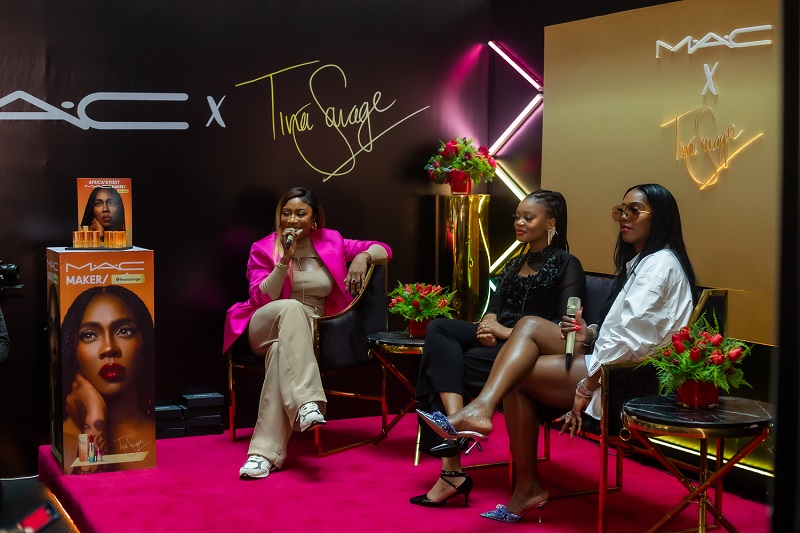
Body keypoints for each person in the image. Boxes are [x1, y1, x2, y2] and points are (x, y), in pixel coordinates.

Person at [418, 183, 697, 523]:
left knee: (521, 362)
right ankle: (489, 427)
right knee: (520, 332)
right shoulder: (643, 262)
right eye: (620, 210)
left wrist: (588, 386)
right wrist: (588, 331)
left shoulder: (658, 265)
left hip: (626, 376)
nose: (624, 217)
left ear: (660, 217)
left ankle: (494, 434)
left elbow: (631, 342)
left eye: (634, 211)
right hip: (602, 357)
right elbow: (624, 330)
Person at [410, 190, 585, 508]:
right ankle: (458, 418)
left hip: (530, 354)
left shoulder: (567, 264)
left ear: (551, 223)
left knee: (441, 367)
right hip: (498, 343)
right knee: (439, 329)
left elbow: (563, 329)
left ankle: (452, 468)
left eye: (528, 217)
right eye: (517, 217)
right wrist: (487, 324)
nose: (519, 222)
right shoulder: (515, 262)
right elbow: (494, 308)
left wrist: (504, 332)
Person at [222, 186, 392, 480]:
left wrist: (363, 256)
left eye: (300, 213)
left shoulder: (332, 241)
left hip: (309, 331)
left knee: (280, 353)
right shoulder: (263, 247)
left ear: (314, 220)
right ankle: (307, 401)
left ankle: (262, 455)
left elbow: (384, 250)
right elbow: (261, 298)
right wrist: (284, 259)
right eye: (286, 213)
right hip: (265, 321)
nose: (292, 219)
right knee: (290, 308)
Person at [61, 285, 156, 472]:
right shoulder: (64, 440)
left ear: (145, 341)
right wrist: (94, 417)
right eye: (89, 335)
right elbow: (89, 487)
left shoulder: (163, 437)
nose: (109, 348)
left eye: (124, 331)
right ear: (73, 350)